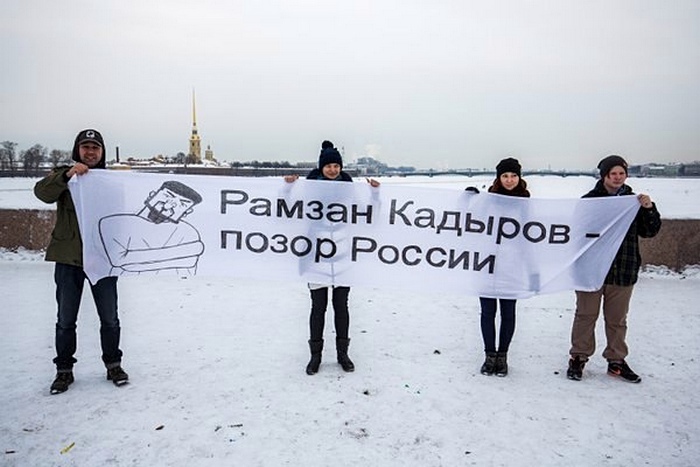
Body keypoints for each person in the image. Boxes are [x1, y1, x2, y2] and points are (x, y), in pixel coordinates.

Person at [34, 129, 129, 394]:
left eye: (95, 147)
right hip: (69, 258)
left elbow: (122, 217)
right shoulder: (65, 176)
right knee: (66, 319)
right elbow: (42, 193)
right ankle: (64, 370)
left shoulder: (110, 181)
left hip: (102, 259)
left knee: (109, 317)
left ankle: (113, 364)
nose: (90, 152)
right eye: (85, 147)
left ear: (102, 152)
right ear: (77, 150)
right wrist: (67, 175)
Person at [284, 140, 379, 375]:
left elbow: (368, 214)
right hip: (316, 258)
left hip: (343, 257)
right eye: (329, 166)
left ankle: (342, 354)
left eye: (337, 166)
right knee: (318, 308)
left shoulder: (349, 189)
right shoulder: (309, 189)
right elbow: (287, 209)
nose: (333, 170)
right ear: (322, 167)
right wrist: (287, 188)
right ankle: (315, 356)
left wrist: (375, 193)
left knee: (341, 307)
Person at [566, 155, 661, 383]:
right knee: (585, 316)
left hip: (623, 269)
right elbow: (576, 232)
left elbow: (649, 231)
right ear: (604, 176)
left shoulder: (634, 202)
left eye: (621, 173)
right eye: (613, 174)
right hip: (591, 271)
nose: (618, 178)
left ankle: (616, 359)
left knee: (617, 319)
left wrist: (649, 209)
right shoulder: (590, 201)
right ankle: (578, 356)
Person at [472, 157, 530, 377]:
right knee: (488, 312)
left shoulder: (526, 202)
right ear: (498, 178)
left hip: (512, 266)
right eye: (505, 176)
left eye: (513, 175)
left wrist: (532, 268)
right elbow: (468, 220)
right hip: (487, 264)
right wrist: (468, 198)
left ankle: (503, 356)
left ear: (519, 177)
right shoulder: (488, 200)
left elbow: (533, 236)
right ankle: (489, 356)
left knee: (508, 313)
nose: (509, 180)